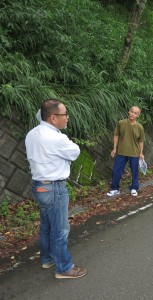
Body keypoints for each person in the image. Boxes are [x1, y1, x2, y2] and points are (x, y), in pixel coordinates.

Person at [25, 99, 87, 279]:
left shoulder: (32, 134)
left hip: (39, 185)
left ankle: (47, 258)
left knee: (46, 226)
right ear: (53, 117)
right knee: (60, 229)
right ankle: (64, 268)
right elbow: (75, 152)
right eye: (65, 114)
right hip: (54, 187)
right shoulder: (56, 138)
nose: (67, 118)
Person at [107, 106, 145, 197]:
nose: (133, 114)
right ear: (128, 112)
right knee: (116, 171)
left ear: (138, 115)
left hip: (135, 153)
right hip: (121, 152)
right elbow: (116, 135)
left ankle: (134, 188)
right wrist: (115, 148)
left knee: (134, 171)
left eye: (135, 113)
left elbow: (141, 140)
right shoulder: (121, 123)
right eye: (132, 111)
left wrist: (141, 153)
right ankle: (115, 189)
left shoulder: (139, 127)